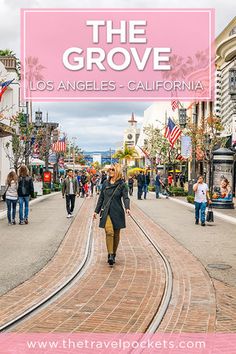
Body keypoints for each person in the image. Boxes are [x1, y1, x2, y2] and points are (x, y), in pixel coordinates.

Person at [93, 164, 130, 266]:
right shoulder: (105, 183)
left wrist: (127, 208)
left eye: (112, 170)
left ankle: (113, 254)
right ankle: (110, 254)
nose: (110, 171)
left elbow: (126, 197)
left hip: (117, 211)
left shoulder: (122, 184)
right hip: (106, 211)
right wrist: (96, 211)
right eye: (109, 170)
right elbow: (101, 198)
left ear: (117, 171)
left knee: (116, 234)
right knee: (109, 231)